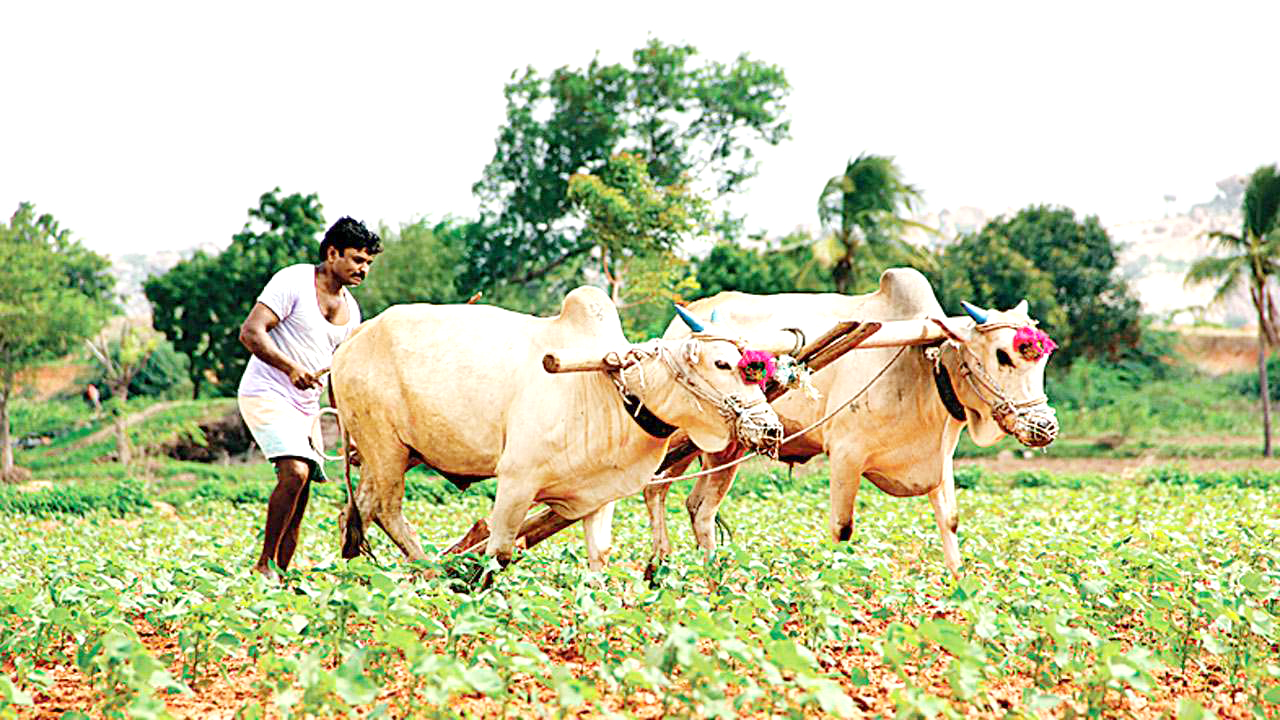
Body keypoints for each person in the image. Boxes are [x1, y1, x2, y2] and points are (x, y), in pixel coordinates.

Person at [237, 217, 382, 580]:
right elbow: (251, 333)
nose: (363, 269)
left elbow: (339, 377)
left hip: (307, 407)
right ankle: (264, 566)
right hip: (267, 391)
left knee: (301, 495)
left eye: (367, 263)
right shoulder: (293, 281)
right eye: (356, 260)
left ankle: (279, 574)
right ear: (332, 253)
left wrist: (351, 434)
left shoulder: (352, 312)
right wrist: (290, 368)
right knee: (295, 472)